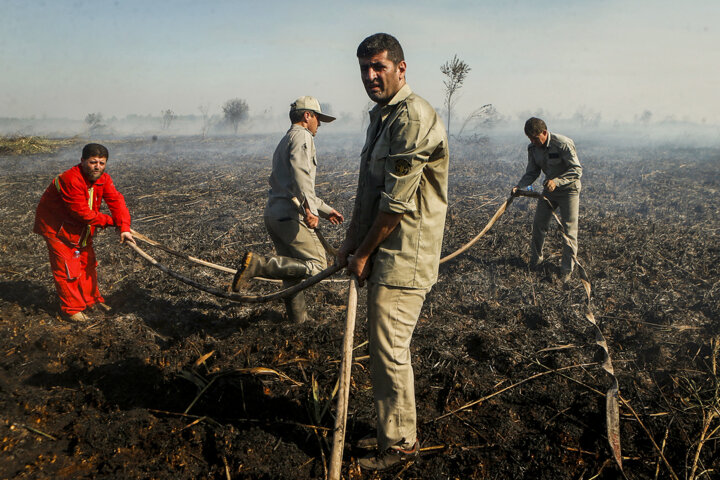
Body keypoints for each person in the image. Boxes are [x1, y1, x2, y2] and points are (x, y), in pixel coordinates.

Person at [337, 33, 449, 471]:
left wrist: (362, 254)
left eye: (379, 67)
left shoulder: (412, 117)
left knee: (388, 349)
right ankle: (393, 428)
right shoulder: (382, 117)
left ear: (401, 69)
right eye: (364, 68)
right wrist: (350, 240)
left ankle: (401, 446)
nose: (370, 76)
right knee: (384, 348)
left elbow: (395, 204)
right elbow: (370, 190)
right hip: (384, 247)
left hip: (404, 253)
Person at [231, 96, 343, 323]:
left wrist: (325, 209)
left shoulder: (287, 138)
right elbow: (301, 178)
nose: (319, 124)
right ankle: (258, 264)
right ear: (307, 116)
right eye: (318, 118)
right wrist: (310, 211)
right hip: (291, 216)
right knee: (318, 266)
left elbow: (292, 183)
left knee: (291, 271)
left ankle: (298, 320)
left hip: (274, 213)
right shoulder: (303, 136)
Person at [34, 143, 134, 322]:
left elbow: (117, 201)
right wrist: (112, 222)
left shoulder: (103, 179)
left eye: (102, 163)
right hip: (56, 229)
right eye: (93, 162)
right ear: (82, 161)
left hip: (80, 230)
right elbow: (82, 213)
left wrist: (124, 227)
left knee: (88, 263)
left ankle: (91, 300)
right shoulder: (70, 179)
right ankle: (71, 309)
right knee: (68, 268)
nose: (97, 167)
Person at [512, 117, 582, 282]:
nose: (533, 141)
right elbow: (532, 172)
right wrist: (520, 186)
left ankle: (566, 271)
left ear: (544, 132)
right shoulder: (533, 148)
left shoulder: (562, 144)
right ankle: (536, 262)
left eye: (535, 138)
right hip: (549, 191)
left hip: (569, 191)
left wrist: (556, 181)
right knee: (539, 225)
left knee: (569, 231)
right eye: (530, 139)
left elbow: (576, 170)